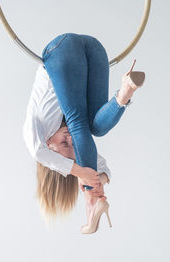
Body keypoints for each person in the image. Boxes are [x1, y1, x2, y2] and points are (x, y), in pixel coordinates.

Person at [22, 33, 145, 233]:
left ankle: (92, 202)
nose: (70, 139)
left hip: (61, 50)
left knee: (78, 122)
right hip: (95, 50)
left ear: (50, 150)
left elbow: (38, 153)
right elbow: (104, 168)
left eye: (64, 145)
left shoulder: (38, 134)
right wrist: (96, 180)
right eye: (72, 146)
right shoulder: (74, 138)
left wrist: (81, 174)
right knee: (96, 128)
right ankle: (124, 93)